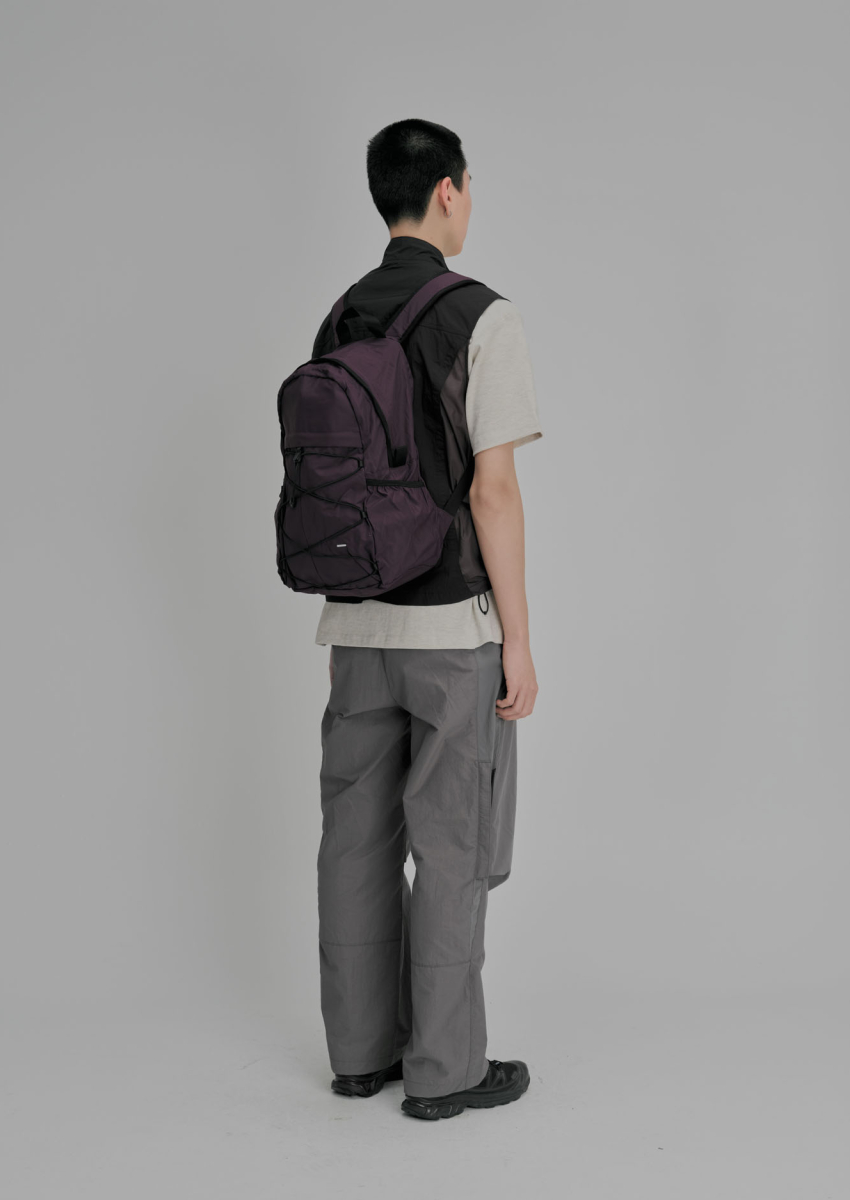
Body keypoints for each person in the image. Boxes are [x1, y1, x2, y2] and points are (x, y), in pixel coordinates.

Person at [311, 118, 543, 1121]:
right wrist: (518, 640)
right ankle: (445, 1070)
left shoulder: (340, 316)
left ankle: (360, 1057)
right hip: (452, 632)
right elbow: (493, 491)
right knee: (450, 847)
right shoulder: (483, 315)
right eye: (469, 186)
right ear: (448, 190)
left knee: (354, 841)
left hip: (355, 627)